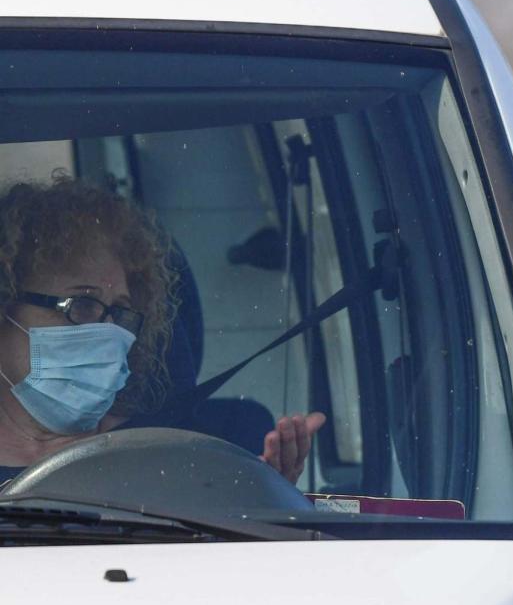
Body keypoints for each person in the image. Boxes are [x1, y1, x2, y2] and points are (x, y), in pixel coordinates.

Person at [0, 176, 323, 483]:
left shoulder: (173, 453)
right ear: (6, 305)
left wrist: (261, 497)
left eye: (122, 312)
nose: (110, 331)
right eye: (83, 305)